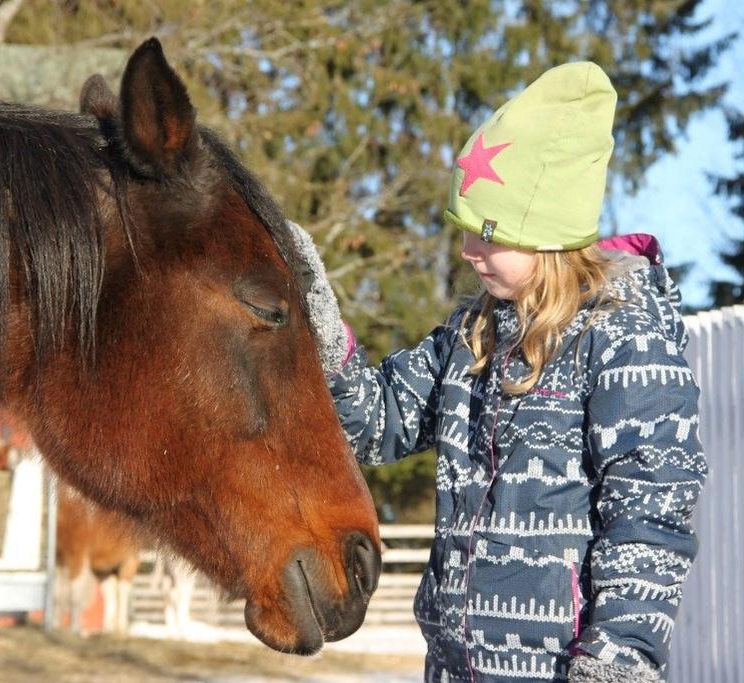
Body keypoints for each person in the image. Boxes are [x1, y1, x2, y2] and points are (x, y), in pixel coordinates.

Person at [287, 61, 706, 682]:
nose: (467, 251)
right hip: (455, 667)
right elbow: (374, 423)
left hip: (563, 670)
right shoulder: (471, 335)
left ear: (547, 231)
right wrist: (316, 326)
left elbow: (650, 511)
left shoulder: (624, 341)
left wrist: (618, 659)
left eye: (486, 231)